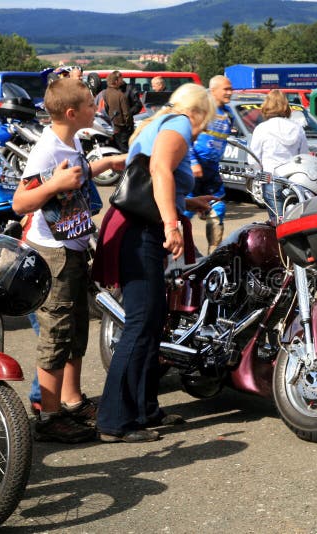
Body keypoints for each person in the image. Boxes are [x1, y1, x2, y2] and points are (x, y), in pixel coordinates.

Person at [93, 83, 216, 443]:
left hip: (135, 224)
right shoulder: (178, 123)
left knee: (152, 320)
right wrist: (171, 223)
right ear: (199, 112)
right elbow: (160, 170)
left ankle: (145, 409)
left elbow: (146, 176)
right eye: (205, 120)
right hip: (141, 228)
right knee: (141, 322)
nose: (202, 128)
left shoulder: (157, 121)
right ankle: (114, 420)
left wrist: (186, 204)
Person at [12, 78, 126, 443]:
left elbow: (75, 177)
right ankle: (48, 417)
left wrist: (106, 163)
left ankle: (72, 401)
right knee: (56, 334)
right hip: (52, 253)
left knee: (77, 328)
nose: (99, 109)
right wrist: (54, 185)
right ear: (74, 113)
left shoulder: (72, 140)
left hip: (73, 248)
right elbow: (21, 202)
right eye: (93, 106)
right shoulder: (46, 149)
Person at [185, 75, 233, 253]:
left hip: (212, 170)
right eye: (225, 89)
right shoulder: (202, 110)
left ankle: (212, 253)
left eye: (231, 89)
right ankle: (170, 246)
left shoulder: (228, 114)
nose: (229, 92)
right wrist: (192, 162)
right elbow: (186, 136)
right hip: (193, 170)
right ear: (213, 91)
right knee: (184, 209)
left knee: (218, 207)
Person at [248, 90, 308, 219]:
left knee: (276, 222)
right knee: (294, 220)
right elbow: (304, 157)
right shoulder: (297, 128)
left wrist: (259, 175)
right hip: (293, 181)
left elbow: (253, 160)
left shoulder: (261, 129)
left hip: (271, 179)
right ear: (286, 105)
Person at [104, 71, 133, 151]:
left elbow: (106, 108)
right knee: (126, 150)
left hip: (113, 126)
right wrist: (129, 125)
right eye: (120, 80)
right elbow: (126, 113)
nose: (122, 81)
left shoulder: (105, 93)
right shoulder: (121, 95)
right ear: (116, 81)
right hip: (123, 128)